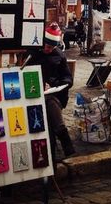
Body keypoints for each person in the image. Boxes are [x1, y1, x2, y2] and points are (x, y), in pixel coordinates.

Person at [25, 23, 75, 158]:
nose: (49, 49)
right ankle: (64, 137)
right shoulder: (32, 54)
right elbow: (23, 73)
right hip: (33, 92)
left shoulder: (59, 55)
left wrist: (58, 84)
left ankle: (59, 135)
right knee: (48, 103)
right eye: (47, 46)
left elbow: (68, 78)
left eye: (52, 47)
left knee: (50, 101)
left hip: (55, 94)